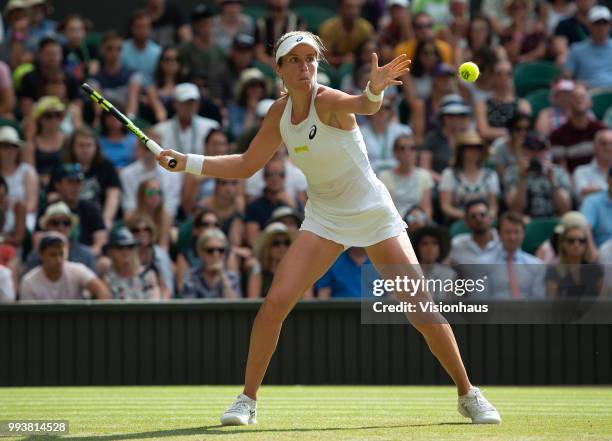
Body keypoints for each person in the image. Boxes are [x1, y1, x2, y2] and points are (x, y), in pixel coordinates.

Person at [157, 30, 500, 425]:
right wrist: (188, 162)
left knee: (420, 309)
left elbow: (364, 105)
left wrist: (373, 91)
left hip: (373, 213)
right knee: (274, 304)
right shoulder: (278, 113)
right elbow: (247, 165)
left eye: (310, 59)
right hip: (324, 217)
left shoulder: (329, 100)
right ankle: (247, 401)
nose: (305, 67)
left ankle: (468, 393)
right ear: (280, 70)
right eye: (294, 60)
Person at [20, 232, 110, 300]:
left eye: (61, 254)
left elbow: (102, 291)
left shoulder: (78, 270)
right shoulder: (28, 282)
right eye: (53, 255)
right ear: (41, 255)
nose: (59, 260)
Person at [63, 126, 122, 229]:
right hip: (68, 219)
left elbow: (114, 194)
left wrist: (106, 220)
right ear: (72, 147)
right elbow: (53, 195)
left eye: (89, 145)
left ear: (96, 147)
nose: (85, 150)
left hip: (99, 216)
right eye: (81, 145)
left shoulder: (105, 166)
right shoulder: (63, 165)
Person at [477, 211, 546, 299]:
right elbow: (480, 300)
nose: (512, 237)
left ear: (523, 234)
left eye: (516, 232)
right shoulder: (482, 264)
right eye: (508, 232)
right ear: (499, 234)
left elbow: (539, 301)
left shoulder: (537, 265)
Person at [504, 131, 571, 219]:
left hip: (553, 221)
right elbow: (515, 210)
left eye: (541, 148)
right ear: (523, 150)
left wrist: (552, 181)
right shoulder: (512, 172)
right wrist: (522, 179)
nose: (536, 153)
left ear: (547, 150)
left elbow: (564, 209)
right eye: (531, 148)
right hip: (523, 223)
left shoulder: (558, 172)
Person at [439, 130, 500, 223]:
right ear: (461, 151)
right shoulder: (449, 174)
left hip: (484, 221)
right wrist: (469, 216)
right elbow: (446, 206)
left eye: (478, 148)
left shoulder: (491, 175)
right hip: (459, 221)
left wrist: (487, 216)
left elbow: (493, 206)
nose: (474, 151)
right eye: (469, 148)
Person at [549, 82, 606, 174]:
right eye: (575, 97)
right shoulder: (557, 135)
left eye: (583, 97)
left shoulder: (602, 131)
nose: (579, 100)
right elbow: (562, 169)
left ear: (590, 102)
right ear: (568, 103)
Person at [152, 82, 220, 156]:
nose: (189, 106)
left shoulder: (211, 127)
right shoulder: (159, 130)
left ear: (198, 103)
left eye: (193, 102)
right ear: (175, 103)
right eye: (185, 102)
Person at [379, 134, 433, 218]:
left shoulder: (424, 176)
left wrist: (422, 221)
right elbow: (386, 209)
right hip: (394, 223)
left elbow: (426, 208)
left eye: (412, 148)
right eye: (402, 148)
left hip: (418, 221)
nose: (407, 152)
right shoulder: (385, 176)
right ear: (395, 152)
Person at [545, 222, 604, 297]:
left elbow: (602, 300)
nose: (576, 244)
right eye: (571, 241)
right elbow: (551, 301)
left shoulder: (595, 269)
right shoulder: (553, 271)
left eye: (581, 241)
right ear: (563, 243)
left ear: (586, 244)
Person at [181, 228, 242, 298]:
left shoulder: (232, 277)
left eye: (221, 250)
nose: (216, 254)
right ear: (200, 252)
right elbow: (189, 306)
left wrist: (222, 277)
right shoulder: (191, 276)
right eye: (210, 250)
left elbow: (235, 306)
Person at [125, 214, 174, 298]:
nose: (142, 233)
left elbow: (167, 289)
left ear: (151, 232)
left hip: (155, 301)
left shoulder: (160, 255)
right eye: (136, 230)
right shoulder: (125, 254)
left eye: (146, 229)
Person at [564, 6, 612, 90]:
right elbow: (567, 77)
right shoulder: (577, 49)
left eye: (604, 23)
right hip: (587, 93)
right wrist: (576, 84)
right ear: (589, 25)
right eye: (597, 23)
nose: (601, 27)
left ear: (610, 25)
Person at [361, 95, 412, 173]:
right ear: (370, 110)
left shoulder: (403, 131)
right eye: (377, 106)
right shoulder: (360, 133)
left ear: (391, 111)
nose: (382, 110)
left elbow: (409, 159)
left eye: (386, 107)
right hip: (369, 176)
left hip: (397, 176)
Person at [449, 198, 501, 265]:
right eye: (473, 216)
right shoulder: (456, 244)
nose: (478, 219)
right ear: (466, 221)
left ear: (490, 217)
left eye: (482, 215)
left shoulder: (503, 240)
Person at [410, 225, 457, 301]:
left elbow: (452, 305)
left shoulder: (450, 274)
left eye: (434, 243)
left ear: (440, 247)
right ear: (416, 247)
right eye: (424, 244)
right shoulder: (407, 273)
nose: (430, 248)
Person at [573, 129, 612, 203]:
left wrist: (596, 190)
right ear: (595, 147)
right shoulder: (581, 171)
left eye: (611, 144)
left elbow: (588, 192)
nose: (608, 148)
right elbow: (582, 195)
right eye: (603, 143)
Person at [580, 167, 612, 247]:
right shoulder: (592, 201)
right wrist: (593, 253)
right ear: (607, 180)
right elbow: (585, 227)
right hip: (602, 252)